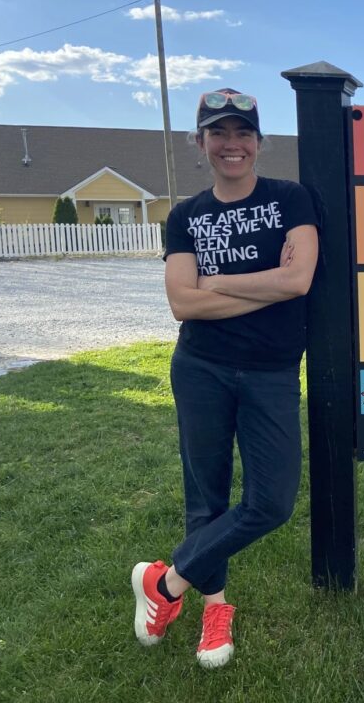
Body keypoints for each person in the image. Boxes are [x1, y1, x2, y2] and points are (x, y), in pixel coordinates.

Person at [132, 88, 319, 669]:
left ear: (259, 143)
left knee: (272, 501)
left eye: (242, 133)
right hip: (201, 369)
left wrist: (215, 283)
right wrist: (257, 283)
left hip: (271, 372)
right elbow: (182, 304)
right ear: (201, 143)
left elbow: (298, 283)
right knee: (206, 496)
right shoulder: (187, 215)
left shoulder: (291, 199)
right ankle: (214, 608)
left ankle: (164, 583)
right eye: (218, 134)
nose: (231, 144)